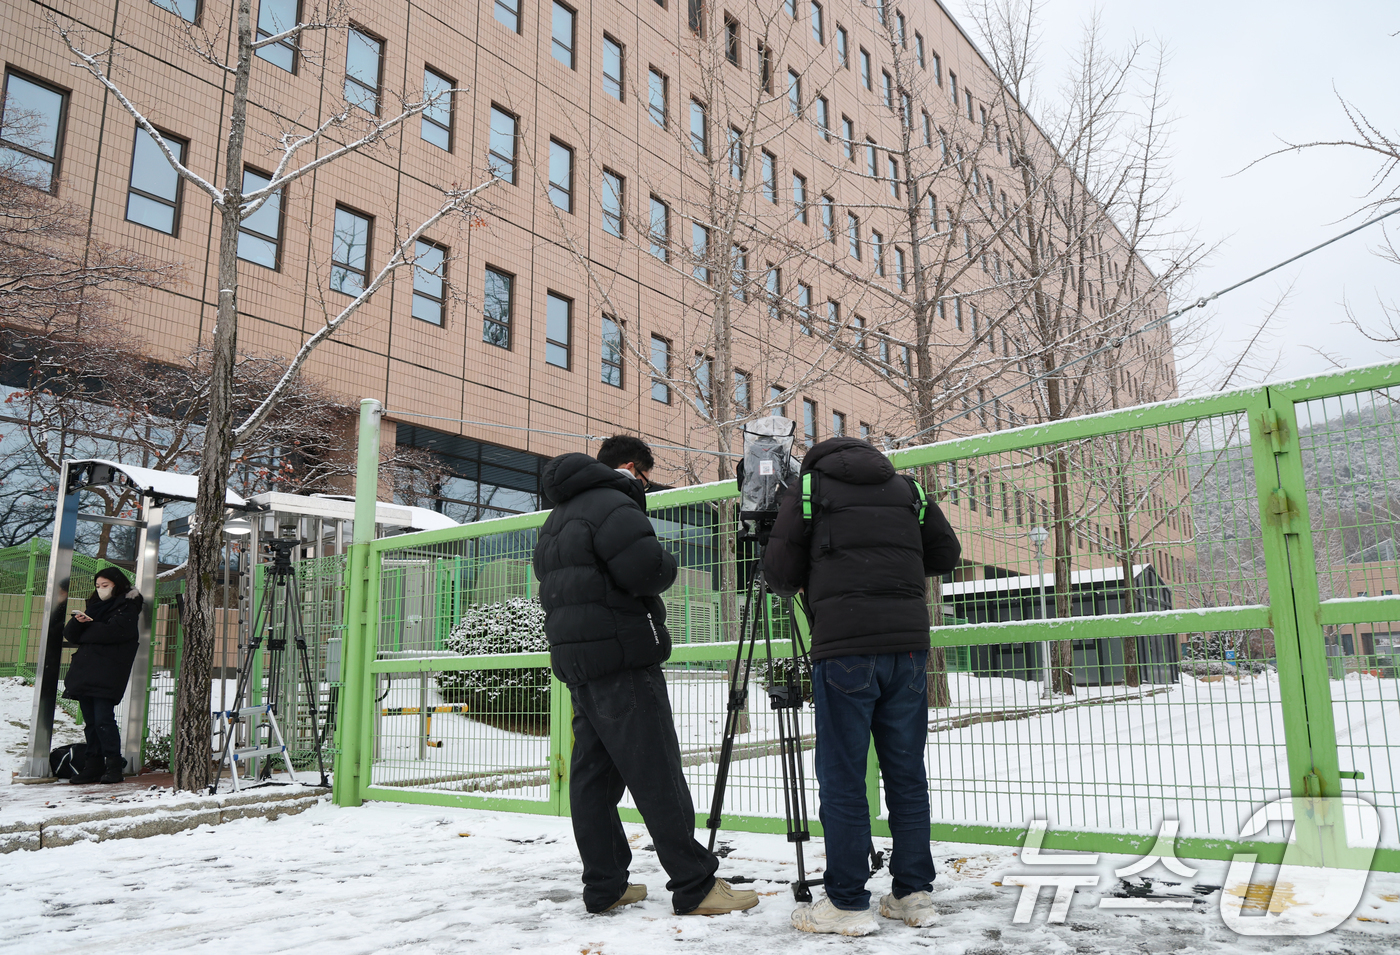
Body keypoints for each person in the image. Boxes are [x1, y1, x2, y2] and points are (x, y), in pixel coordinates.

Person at [533, 435, 758, 918]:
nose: (647, 487)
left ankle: (605, 885)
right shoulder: (613, 504)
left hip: (579, 663)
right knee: (657, 773)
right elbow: (647, 572)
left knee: (592, 779)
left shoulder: (556, 518)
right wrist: (668, 560)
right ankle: (695, 886)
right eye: (647, 478)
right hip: (622, 658)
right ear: (633, 468)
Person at [763, 436, 961, 936]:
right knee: (906, 772)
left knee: (844, 775)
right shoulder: (908, 489)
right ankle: (913, 894)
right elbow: (946, 554)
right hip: (910, 648)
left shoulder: (807, 489)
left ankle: (848, 903)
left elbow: (780, 575)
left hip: (845, 646)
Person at [62, 567, 144, 785]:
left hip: (108, 672)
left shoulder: (127, 605)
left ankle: (113, 765)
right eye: (98, 586)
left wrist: (88, 630)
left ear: (116, 584)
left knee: (103, 720)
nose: (100, 590)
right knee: (90, 722)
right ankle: (93, 765)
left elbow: (114, 633)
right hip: (86, 671)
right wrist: (78, 623)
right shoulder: (94, 606)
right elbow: (71, 635)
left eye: (105, 585)